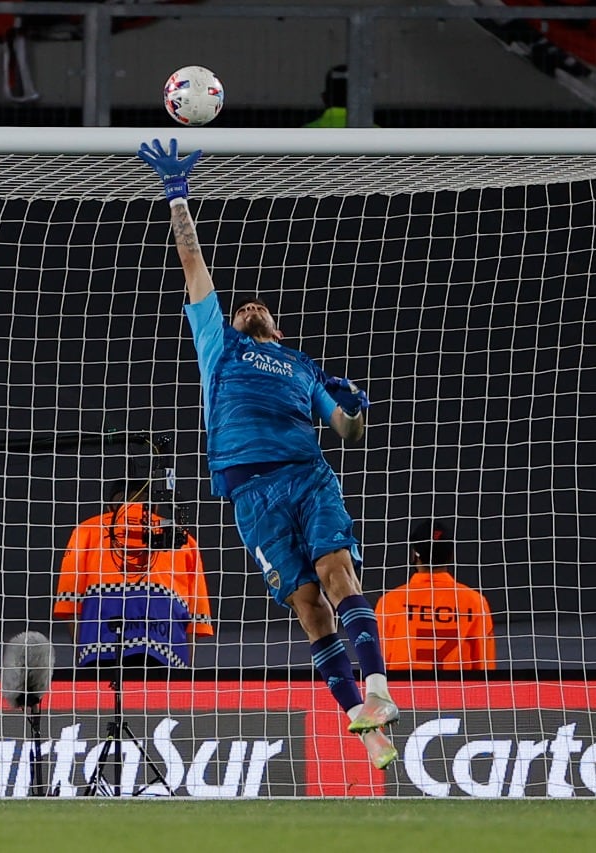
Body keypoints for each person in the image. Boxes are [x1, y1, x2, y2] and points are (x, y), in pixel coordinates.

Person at [137, 138, 401, 770]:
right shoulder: (218, 344)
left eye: (266, 310)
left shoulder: (302, 367)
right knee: (309, 611)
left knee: (339, 576)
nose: (253, 307)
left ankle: (379, 688)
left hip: (307, 477)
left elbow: (345, 430)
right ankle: (365, 728)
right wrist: (178, 198)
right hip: (251, 494)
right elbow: (193, 264)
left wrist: (357, 408)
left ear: (278, 330)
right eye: (247, 305)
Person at [54, 479, 212, 668]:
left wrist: (83, 656)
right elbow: (197, 616)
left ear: (111, 505)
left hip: (100, 647)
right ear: (157, 505)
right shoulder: (181, 539)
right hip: (165, 650)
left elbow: (69, 602)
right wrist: (186, 670)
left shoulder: (87, 530)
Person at [375, 520, 496, 670]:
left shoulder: (390, 602)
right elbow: (485, 668)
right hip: (458, 692)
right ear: (451, 555)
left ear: (414, 555)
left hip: (404, 692)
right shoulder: (475, 602)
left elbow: (377, 664)